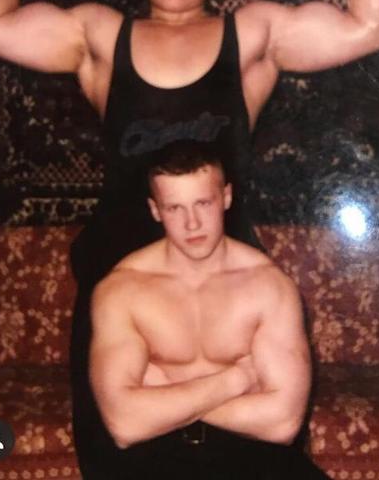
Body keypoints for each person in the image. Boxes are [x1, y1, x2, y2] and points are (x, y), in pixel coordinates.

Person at [0, 0, 379, 477]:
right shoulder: (101, 37)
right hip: (124, 279)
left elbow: (373, 27)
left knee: (255, 455)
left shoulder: (252, 35)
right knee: (124, 452)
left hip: (225, 276)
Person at [90, 140, 327, 479]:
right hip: (157, 456)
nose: (192, 223)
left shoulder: (269, 286)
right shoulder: (121, 290)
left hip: (251, 455)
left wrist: (165, 393)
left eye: (203, 203)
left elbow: (283, 423)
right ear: (155, 210)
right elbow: (124, 424)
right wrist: (237, 379)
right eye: (174, 208)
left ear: (226, 197)